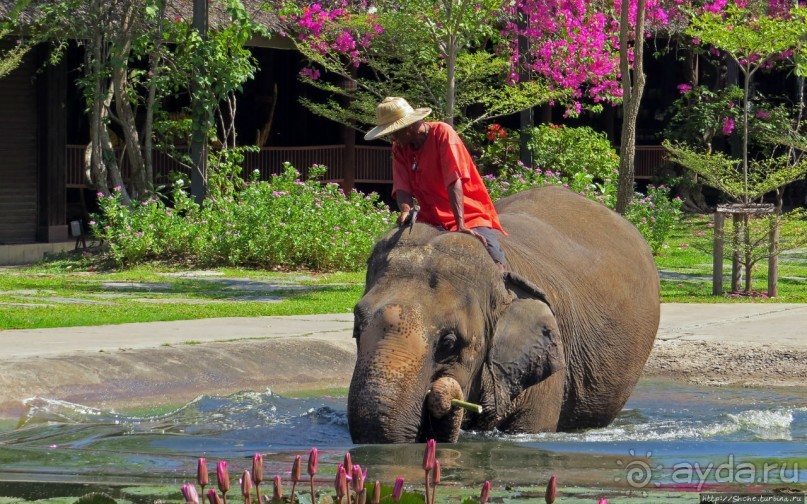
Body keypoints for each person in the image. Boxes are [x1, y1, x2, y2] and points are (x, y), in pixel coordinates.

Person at [364, 96, 507, 272]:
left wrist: (460, 224)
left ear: (408, 127)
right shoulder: (399, 147)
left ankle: (504, 287)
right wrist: (406, 211)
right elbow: (402, 186)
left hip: (467, 213)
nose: (392, 137)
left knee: (493, 258)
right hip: (430, 217)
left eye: (394, 132)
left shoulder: (442, 133)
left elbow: (454, 181)